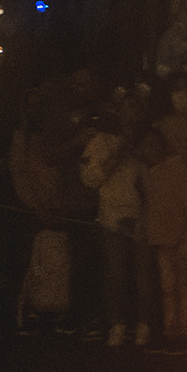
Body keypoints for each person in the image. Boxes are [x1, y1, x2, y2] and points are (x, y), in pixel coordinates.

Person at [80, 96, 148, 347]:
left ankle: (144, 325)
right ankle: (117, 325)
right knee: (116, 275)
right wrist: (115, 156)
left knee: (144, 278)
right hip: (112, 218)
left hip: (143, 217)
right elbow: (89, 178)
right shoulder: (101, 143)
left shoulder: (150, 140)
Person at [139, 128, 187, 351]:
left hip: (184, 236)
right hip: (161, 238)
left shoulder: (176, 169)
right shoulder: (146, 174)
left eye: (155, 144)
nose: (151, 150)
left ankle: (186, 330)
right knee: (168, 287)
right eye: (147, 145)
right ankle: (171, 330)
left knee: (185, 285)